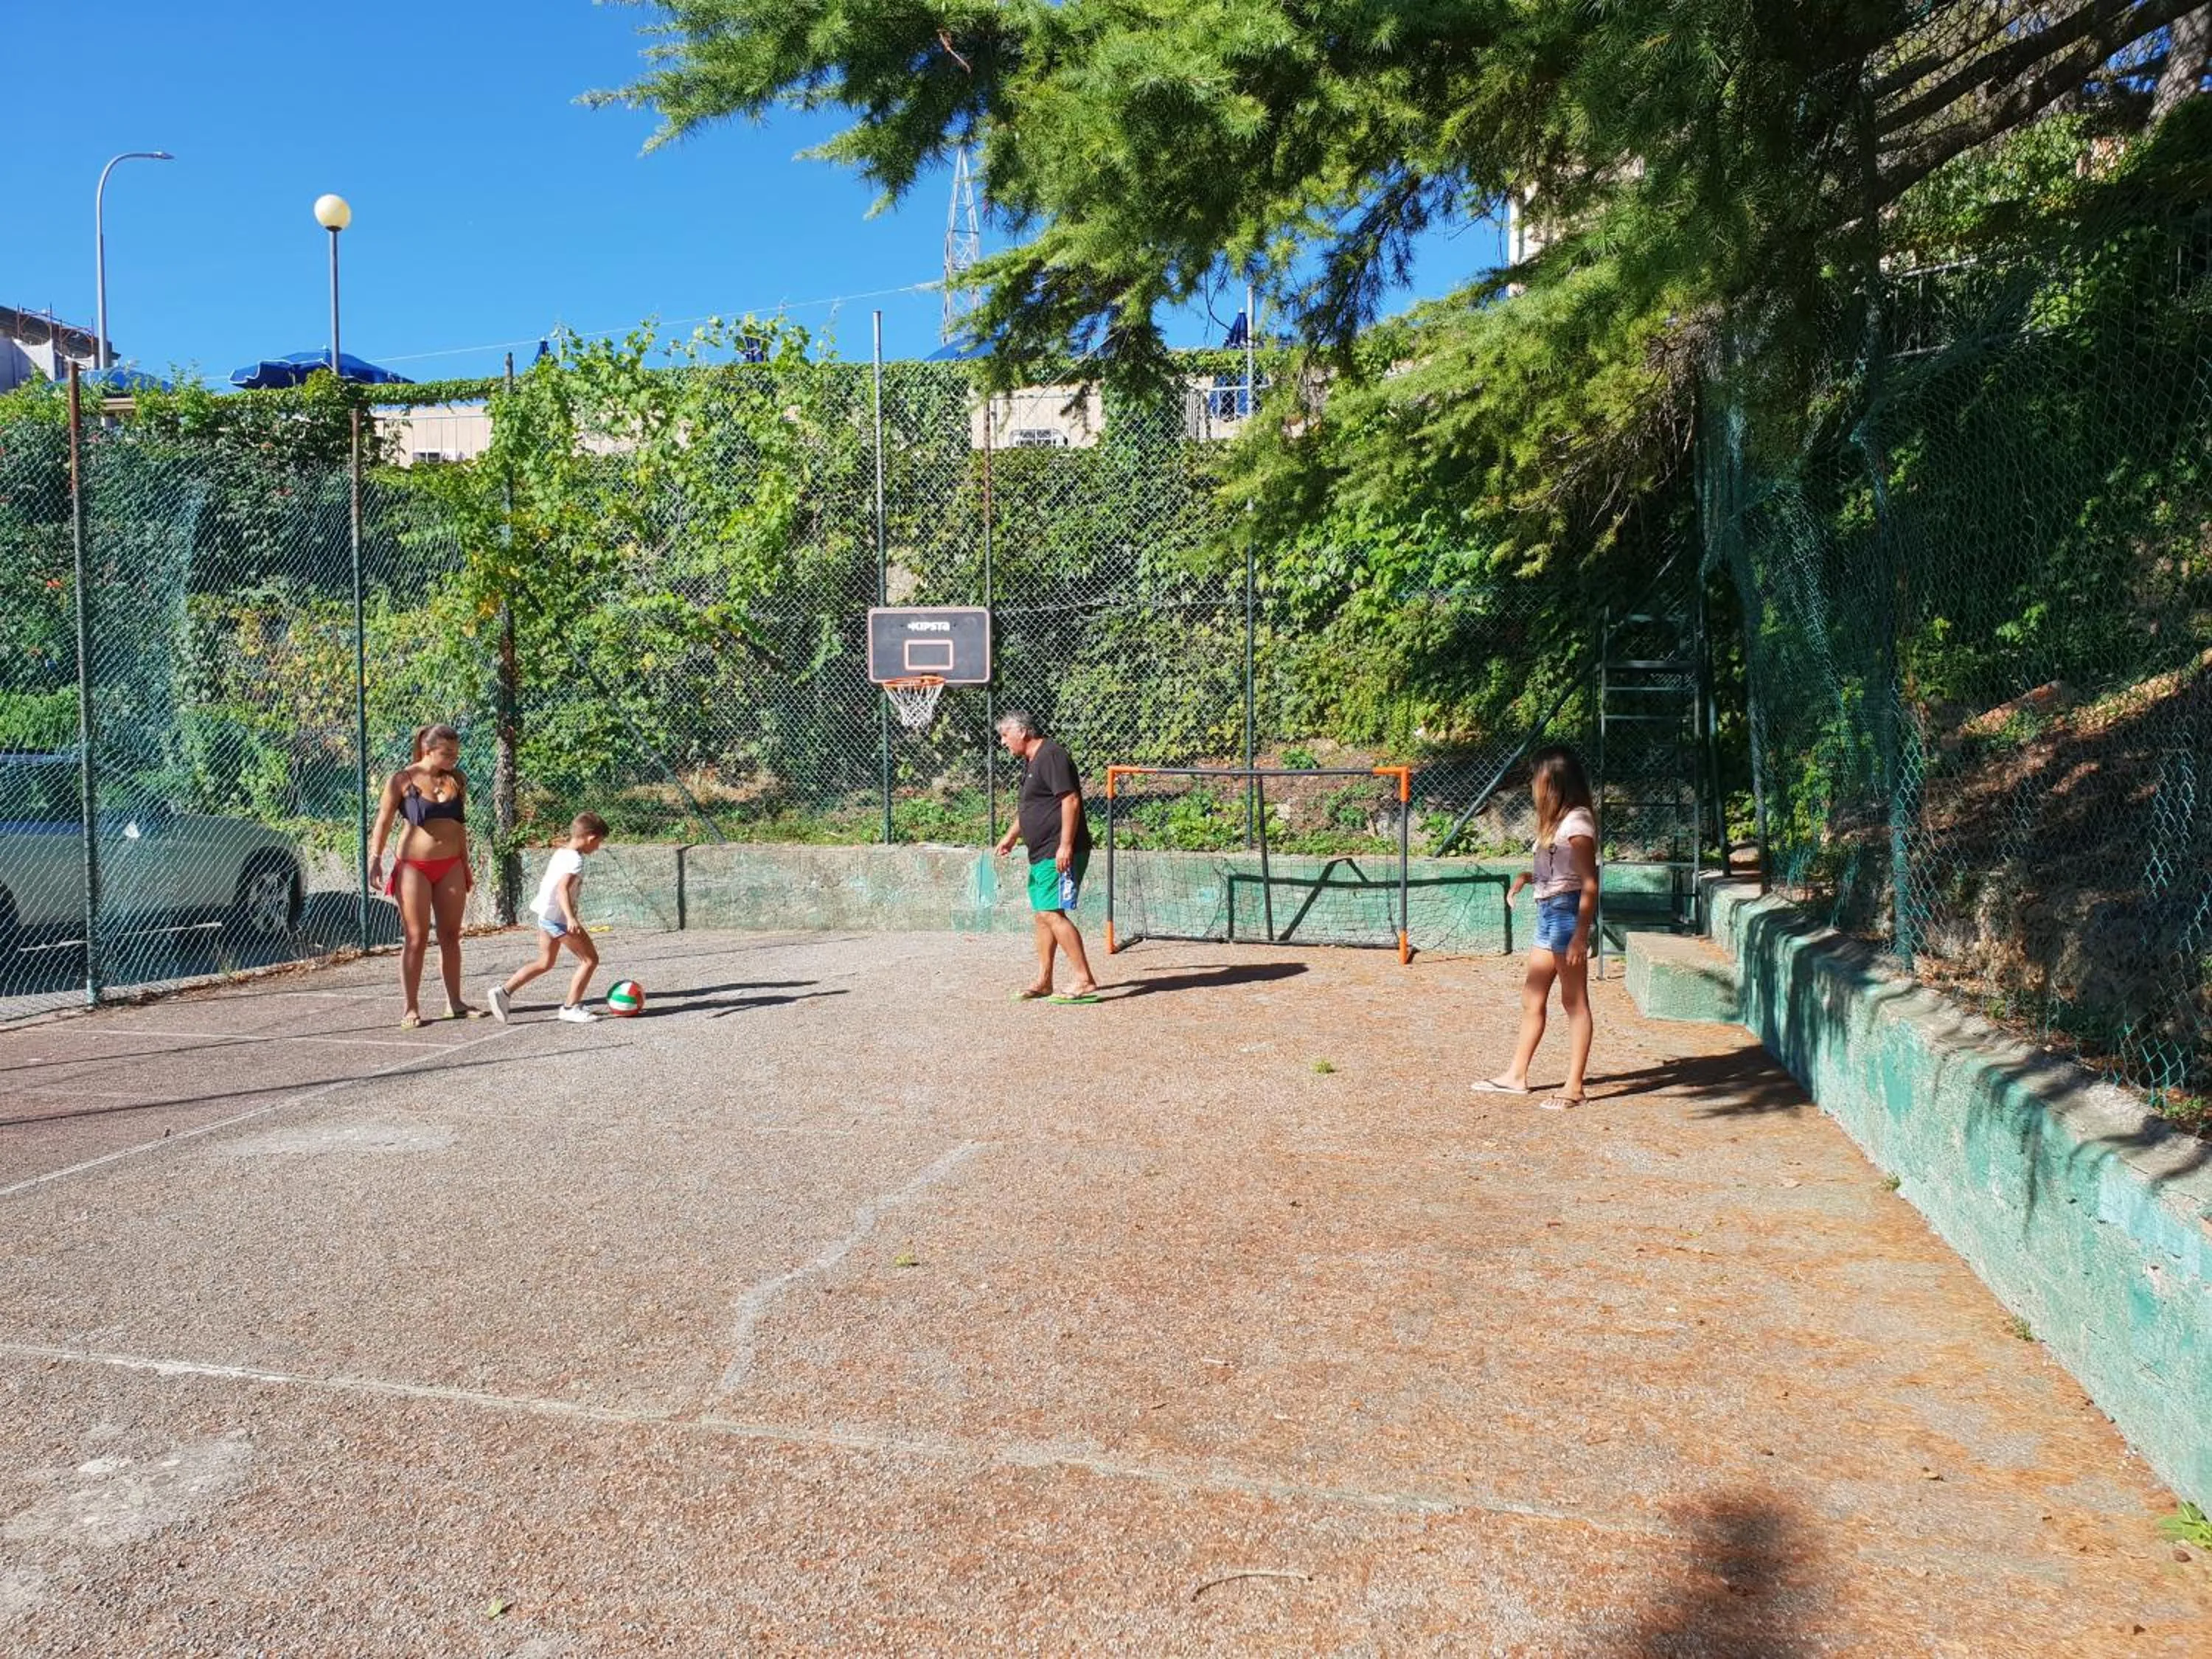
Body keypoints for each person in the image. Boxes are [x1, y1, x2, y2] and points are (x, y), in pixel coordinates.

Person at [1472, 745, 1600, 1109]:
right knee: (1532, 996)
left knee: (1574, 1001)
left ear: (1553, 781)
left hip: (1566, 915)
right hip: (1548, 912)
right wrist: (1526, 877)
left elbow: (1589, 882)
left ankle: (1574, 1087)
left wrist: (1580, 934)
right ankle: (1516, 1076)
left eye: (1536, 776)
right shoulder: (1557, 822)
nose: (1533, 784)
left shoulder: (1578, 823)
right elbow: (1560, 871)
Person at [367, 723, 481, 1030]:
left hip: (451, 866)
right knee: (416, 938)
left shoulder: (457, 780)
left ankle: (455, 1003)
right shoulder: (402, 780)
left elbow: (459, 827)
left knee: (451, 937)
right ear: (428, 750)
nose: (454, 758)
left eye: (456, 752)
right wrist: (375, 859)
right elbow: (383, 821)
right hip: (413, 868)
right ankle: (411, 1007)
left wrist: (465, 864)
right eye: (447, 753)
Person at [991, 711, 1102, 1004]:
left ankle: (1084, 979)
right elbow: (1034, 806)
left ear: (1023, 732)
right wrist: (1012, 835)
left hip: (1059, 850)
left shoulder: (1052, 755)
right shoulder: (1032, 761)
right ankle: (1044, 981)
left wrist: (1065, 845)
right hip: (1041, 852)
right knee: (1043, 916)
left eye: (1005, 735)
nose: (1003, 741)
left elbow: (1071, 799)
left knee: (1052, 913)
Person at [488, 812, 608, 1025]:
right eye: (599, 842)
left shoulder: (562, 853)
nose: (598, 848)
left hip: (546, 916)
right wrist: (571, 918)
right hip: (559, 919)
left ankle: (504, 992)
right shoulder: (576, 861)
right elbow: (562, 889)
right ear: (591, 837)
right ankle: (570, 1007)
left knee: (545, 962)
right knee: (590, 960)